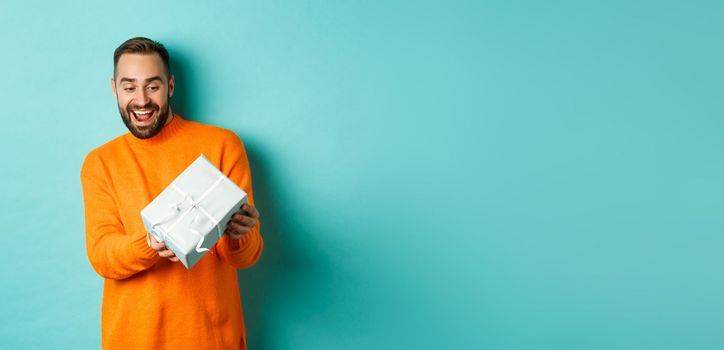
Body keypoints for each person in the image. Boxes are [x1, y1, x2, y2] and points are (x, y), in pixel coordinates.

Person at [80, 37, 263, 350]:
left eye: (153, 86)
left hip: (211, 338)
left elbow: (245, 257)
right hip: (133, 339)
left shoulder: (222, 145)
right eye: (129, 87)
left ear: (171, 86)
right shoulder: (100, 163)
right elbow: (102, 256)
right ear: (115, 90)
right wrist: (150, 244)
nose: (141, 100)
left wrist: (239, 234)